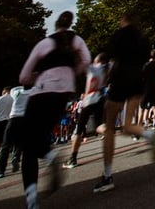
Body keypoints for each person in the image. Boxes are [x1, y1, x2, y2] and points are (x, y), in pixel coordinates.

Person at [17, 11, 90, 209]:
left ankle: (32, 200)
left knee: (28, 147)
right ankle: (50, 156)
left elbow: (23, 77)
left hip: (41, 92)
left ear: (55, 25)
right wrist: (71, 72)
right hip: (63, 94)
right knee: (40, 137)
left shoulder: (44, 44)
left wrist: (37, 75)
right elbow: (86, 61)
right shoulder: (77, 41)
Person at [93, 13, 155, 193]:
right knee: (128, 125)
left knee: (109, 128)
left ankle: (107, 175)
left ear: (123, 20)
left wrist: (105, 80)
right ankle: (149, 135)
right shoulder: (143, 40)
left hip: (120, 81)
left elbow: (109, 60)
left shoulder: (119, 36)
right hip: (137, 82)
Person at [66, 55, 107, 168]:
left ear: (97, 61)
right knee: (99, 125)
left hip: (89, 99)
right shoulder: (105, 71)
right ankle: (108, 130)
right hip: (100, 98)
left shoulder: (94, 68)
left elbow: (80, 64)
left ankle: (73, 158)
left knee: (79, 130)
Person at [140, 49, 155, 129]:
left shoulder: (146, 65)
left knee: (142, 107)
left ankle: (140, 126)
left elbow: (142, 77)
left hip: (147, 88)